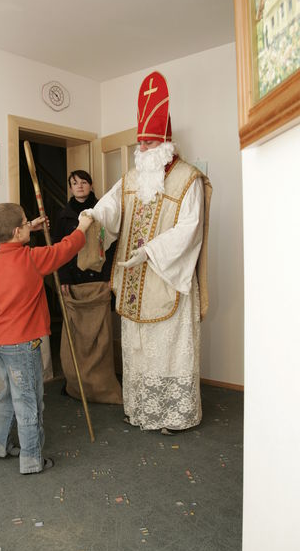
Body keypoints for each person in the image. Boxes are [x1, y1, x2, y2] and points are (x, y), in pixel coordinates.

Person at [81, 71, 212, 435]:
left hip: (166, 276)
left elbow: (191, 228)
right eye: (142, 145)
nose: (145, 152)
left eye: (151, 144)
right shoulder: (133, 177)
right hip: (132, 278)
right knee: (138, 349)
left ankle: (172, 414)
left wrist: (150, 252)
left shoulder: (188, 179)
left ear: (166, 144)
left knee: (168, 347)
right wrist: (92, 217)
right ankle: (139, 409)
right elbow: (111, 207)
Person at [0, 202, 93, 474]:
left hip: (1, 343)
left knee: (9, 394)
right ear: (18, 231)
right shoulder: (32, 257)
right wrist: (82, 228)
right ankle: (31, 458)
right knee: (29, 400)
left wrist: (29, 225)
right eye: (25, 222)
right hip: (24, 344)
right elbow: (64, 249)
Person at [53, 170, 122, 404]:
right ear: (70, 188)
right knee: (77, 337)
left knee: (101, 336)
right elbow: (59, 251)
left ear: (91, 185)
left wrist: (109, 276)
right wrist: (64, 279)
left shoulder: (104, 212)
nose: (79, 186)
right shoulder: (63, 217)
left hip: (100, 280)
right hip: (74, 281)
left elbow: (112, 247)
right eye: (74, 183)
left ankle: (101, 382)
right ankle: (76, 382)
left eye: (83, 182)